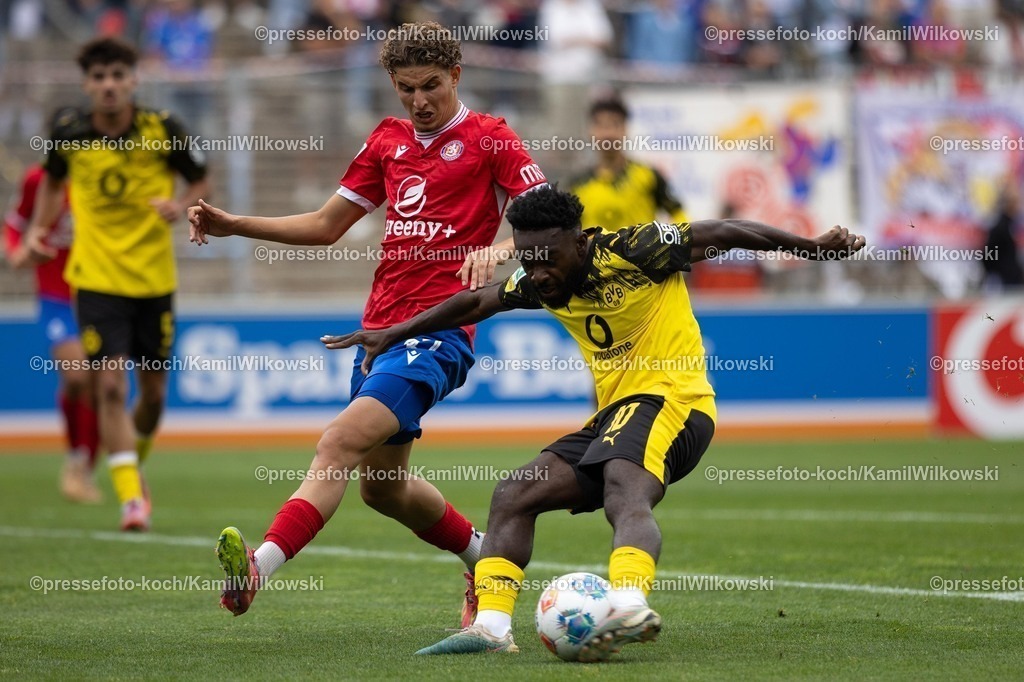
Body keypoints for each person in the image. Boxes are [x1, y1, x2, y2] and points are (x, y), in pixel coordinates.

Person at [323, 186, 865, 658]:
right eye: (528, 260)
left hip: (674, 402)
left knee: (622, 484)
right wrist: (392, 333)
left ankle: (628, 605)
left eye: (549, 258)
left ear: (579, 242)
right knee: (516, 491)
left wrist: (810, 247)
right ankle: (490, 628)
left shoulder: (636, 249)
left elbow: (723, 229)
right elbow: (475, 302)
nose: (538, 273)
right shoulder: (540, 282)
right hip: (616, 415)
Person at [187, 21, 548, 625]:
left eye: (431, 85)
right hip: (379, 334)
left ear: (456, 75)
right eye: (406, 89)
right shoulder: (387, 141)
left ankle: (260, 566)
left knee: (337, 443)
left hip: (439, 332)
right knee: (383, 490)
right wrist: (235, 224)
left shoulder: (491, 138)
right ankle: (488, 566)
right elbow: (327, 225)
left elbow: (549, 216)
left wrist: (503, 246)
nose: (420, 100)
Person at [24, 37, 210, 532]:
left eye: (117, 76)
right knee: (108, 384)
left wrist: (182, 205)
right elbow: (50, 182)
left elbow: (200, 179)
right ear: (87, 84)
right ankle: (131, 500)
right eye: (99, 77)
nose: (109, 85)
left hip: (153, 281)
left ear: (133, 80)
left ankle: (135, 466)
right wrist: (39, 230)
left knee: (152, 396)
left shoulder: (163, 128)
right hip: (96, 279)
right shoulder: (68, 132)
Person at [4, 159, 101, 504]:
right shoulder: (38, 179)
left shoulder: (98, 174)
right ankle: (77, 460)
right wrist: (18, 251)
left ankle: (83, 465)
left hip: (99, 292)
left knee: (98, 385)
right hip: (56, 296)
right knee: (77, 376)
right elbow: (15, 223)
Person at [570, 95, 687, 232]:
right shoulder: (577, 185)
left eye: (615, 124)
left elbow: (678, 214)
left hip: (643, 254)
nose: (607, 133)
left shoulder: (647, 175)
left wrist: (673, 244)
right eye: (600, 125)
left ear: (625, 129)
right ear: (590, 131)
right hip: (593, 254)